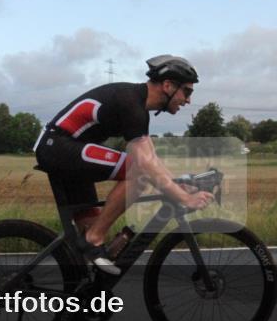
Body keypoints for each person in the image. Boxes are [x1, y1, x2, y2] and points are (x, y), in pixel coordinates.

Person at [34, 55, 215, 274]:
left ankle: (81, 295)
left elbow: (151, 158)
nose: (188, 100)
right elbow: (144, 165)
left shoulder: (139, 108)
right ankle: (94, 239)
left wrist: (177, 184)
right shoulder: (130, 101)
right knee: (137, 172)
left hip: (66, 149)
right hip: (58, 146)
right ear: (167, 85)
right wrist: (183, 197)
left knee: (90, 228)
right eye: (187, 92)